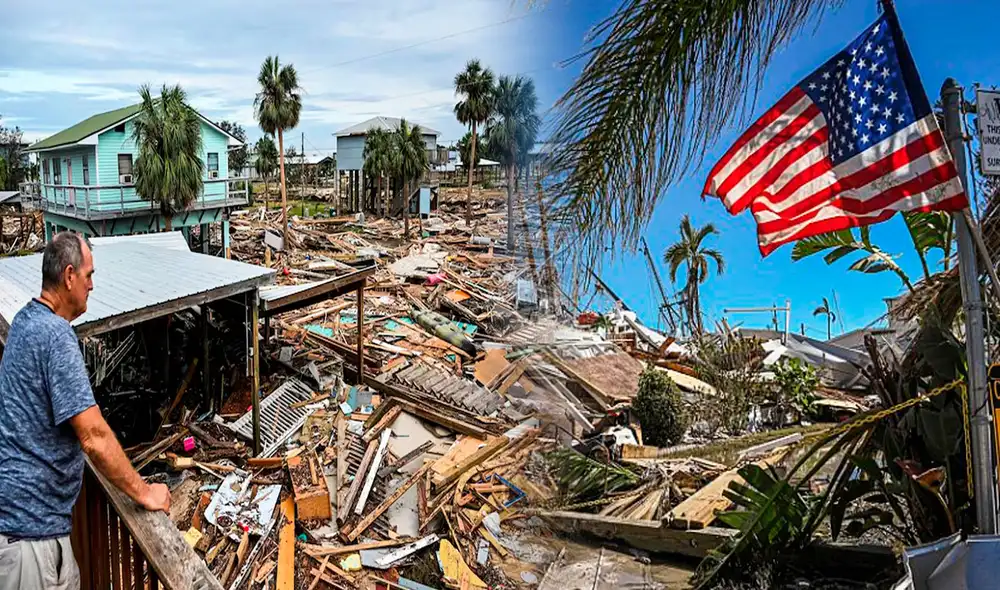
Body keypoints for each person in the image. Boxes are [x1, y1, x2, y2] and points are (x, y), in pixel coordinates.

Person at [0, 232, 171, 590]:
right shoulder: (55, 336)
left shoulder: (23, 322)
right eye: (89, 275)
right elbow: (93, 436)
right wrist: (145, 493)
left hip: (25, 525)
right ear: (68, 276)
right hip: (31, 537)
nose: (93, 285)